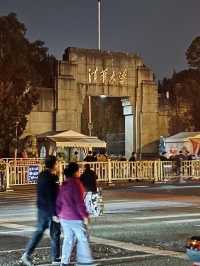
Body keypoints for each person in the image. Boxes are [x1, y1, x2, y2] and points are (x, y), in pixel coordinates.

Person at [21, 156, 61, 266]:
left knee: (39, 232)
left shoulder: (41, 175)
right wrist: (54, 213)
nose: (58, 165)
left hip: (41, 208)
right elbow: (52, 196)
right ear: (54, 164)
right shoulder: (52, 177)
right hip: (50, 210)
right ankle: (56, 259)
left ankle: (27, 254)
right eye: (57, 163)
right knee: (55, 233)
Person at [56, 163, 94, 266]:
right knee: (82, 238)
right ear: (75, 172)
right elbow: (79, 202)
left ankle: (64, 262)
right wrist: (85, 216)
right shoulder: (76, 184)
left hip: (64, 217)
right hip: (75, 217)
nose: (79, 172)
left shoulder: (64, 184)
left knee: (68, 240)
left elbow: (58, 201)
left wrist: (58, 213)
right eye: (78, 170)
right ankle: (85, 261)